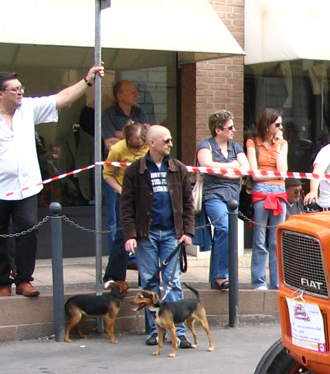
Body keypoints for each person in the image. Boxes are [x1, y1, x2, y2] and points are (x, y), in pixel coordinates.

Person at [0, 65, 104, 297]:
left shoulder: (28, 108)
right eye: (15, 89)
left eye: (21, 88)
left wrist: (87, 81)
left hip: (26, 186)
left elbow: (61, 98)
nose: (20, 93)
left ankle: (24, 279)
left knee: (28, 229)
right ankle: (3, 282)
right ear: (0, 93)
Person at [120, 125, 194, 347]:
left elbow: (188, 203)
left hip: (172, 233)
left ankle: (179, 332)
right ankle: (155, 330)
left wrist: (188, 232)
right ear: (152, 143)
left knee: (173, 282)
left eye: (171, 140)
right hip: (146, 234)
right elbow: (126, 206)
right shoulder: (135, 170)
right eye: (166, 140)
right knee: (149, 281)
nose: (171, 144)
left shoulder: (178, 168)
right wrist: (130, 235)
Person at [197, 110, 248, 290]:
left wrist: (225, 171)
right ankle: (220, 275)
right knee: (224, 228)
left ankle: (220, 275)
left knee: (229, 233)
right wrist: (232, 167)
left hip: (233, 196)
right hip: (213, 195)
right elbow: (208, 167)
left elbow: (246, 169)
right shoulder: (205, 145)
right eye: (230, 127)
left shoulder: (236, 147)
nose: (234, 130)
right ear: (218, 130)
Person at [101, 121, 148, 286]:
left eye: (140, 147)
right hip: (125, 196)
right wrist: (120, 190)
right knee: (122, 236)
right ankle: (113, 276)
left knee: (146, 237)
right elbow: (107, 173)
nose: (136, 150)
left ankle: (147, 277)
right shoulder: (117, 149)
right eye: (132, 146)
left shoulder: (151, 147)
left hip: (147, 197)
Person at [246, 108, 289, 290]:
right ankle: (258, 281)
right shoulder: (252, 143)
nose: (280, 127)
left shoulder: (283, 143)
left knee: (276, 239)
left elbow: (283, 171)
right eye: (277, 124)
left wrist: (278, 147)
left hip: (279, 190)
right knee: (259, 238)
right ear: (267, 125)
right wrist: (274, 174)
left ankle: (277, 282)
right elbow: (255, 174)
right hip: (261, 191)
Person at [102, 80, 149, 150]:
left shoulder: (139, 112)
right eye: (132, 92)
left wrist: (120, 134)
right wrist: (135, 140)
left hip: (139, 159)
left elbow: (148, 139)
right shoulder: (109, 114)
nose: (137, 95)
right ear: (120, 96)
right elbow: (110, 144)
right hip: (117, 159)